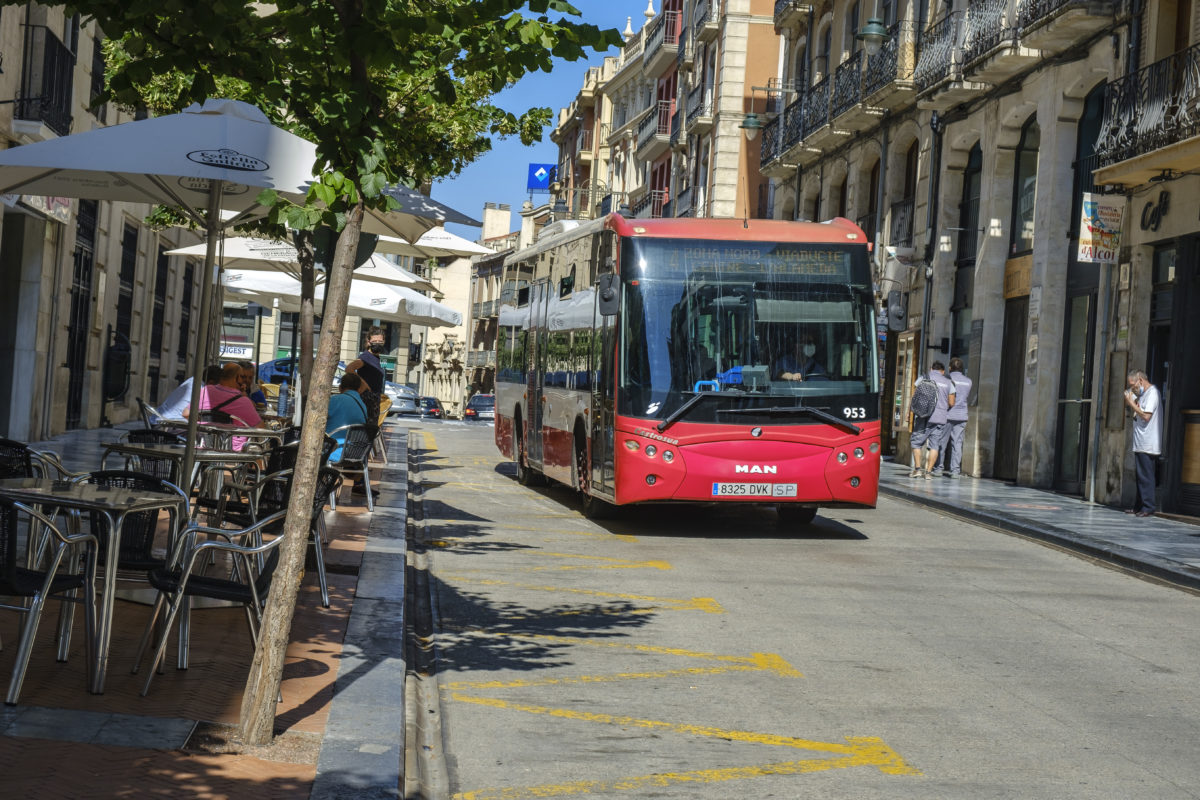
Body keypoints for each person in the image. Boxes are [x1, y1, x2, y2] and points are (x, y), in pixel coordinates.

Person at [187, 362, 263, 450]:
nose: (244, 381)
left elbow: (186, 414)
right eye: (242, 377)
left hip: (206, 448)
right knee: (258, 451)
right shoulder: (242, 401)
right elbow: (260, 428)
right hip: (234, 453)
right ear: (237, 378)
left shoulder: (205, 391)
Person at [1124, 369, 1162, 517]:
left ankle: (1148, 507)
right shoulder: (1144, 394)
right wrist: (1133, 401)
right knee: (1140, 476)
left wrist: (1130, 403)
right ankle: (1138, 506)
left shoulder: (1153, 393)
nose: (1133, 388)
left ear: (1140, 380)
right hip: (1140, 441)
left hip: (1148, 442)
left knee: (1146, 476)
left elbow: (1146, 416)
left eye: (1133, 385)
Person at [909, 360, 955, 480]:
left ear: (931, 369)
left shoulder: (924, 378)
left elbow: (915, 395)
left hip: (924, 416)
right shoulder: (949, 382)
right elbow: (951, 402)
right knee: (935, 445)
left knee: (916, 442)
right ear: (943, 371)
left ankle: (918, 470)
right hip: (940, 418)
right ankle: (928, 473)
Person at [935, 357, 971, 478]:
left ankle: (938, 468)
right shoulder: (968, 381)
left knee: (942, 442)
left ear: (950, 368)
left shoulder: (946, 380)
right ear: (962, 369)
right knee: (957, 443)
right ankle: (955, 470)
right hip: (961, 415)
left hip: (947, 415)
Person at [344, 325, 386, 423]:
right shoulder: (366, 357)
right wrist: (364, 384)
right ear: (368, 342)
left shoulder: (377, 358)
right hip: (366, 400)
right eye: (375, 341)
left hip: (374, 401)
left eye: (380, 342)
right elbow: (349, 368)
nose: (378, 344)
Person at [326, 373, 369, 463]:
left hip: (334, 451)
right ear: (359, 389)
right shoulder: (363, 405)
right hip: (358, 453)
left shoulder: (335, 400)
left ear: (340, 387)